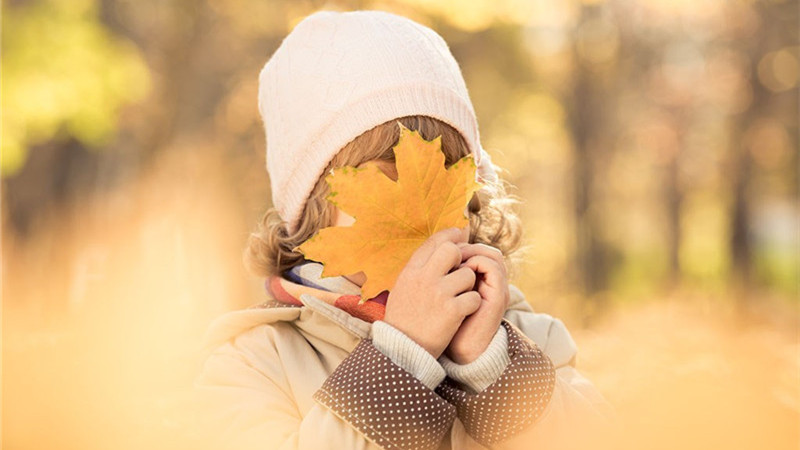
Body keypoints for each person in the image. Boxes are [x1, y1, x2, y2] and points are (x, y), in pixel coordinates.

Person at [194, 9, 614, 450]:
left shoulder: (525, 338)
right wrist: (402, 361)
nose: (420, 210)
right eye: (385, 177)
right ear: (314, 207)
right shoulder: (257, 363)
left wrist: (493, 371)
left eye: (444, 177)